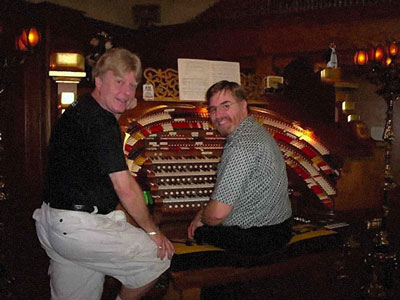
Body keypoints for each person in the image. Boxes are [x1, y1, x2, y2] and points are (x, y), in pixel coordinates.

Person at [33, 48, 174, 300]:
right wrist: (152, 231)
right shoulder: (101, 121)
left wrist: (122, 105)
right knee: (156, 258)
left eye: (132, 85)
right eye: (119, 81)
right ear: (98, 80)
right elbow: (124, 187)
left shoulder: (81, 106)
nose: (127, 92)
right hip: (80, 227)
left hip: (53, 222)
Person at [187, 80, 292, 255]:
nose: (219, 115)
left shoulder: (241, 145)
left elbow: (217, 215)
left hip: (261, 237)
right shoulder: (254, 129)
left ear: (244, 106)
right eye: (213, 109)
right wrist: (204, 213)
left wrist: (202, 218)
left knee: (195, 232)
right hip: (281, 226)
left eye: (225, 106)